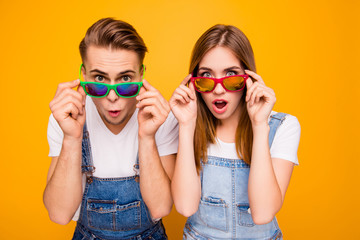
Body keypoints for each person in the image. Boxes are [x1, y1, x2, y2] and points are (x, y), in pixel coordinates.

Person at [43, 18, 178, 239]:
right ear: (83, 75)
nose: (113, 96)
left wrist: (147, 137)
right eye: (99, 79)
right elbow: (59, 214)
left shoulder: (160, 116)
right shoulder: (66, 116)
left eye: (125, 79)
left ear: (141, 74)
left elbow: (161, 208)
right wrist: (71, 138)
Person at [170, 24, 300, 239]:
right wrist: (186, 125)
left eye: (231, 75)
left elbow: (263, 213)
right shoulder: (183, 124)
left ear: (249, 78)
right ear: (193, 83)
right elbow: (185, 207)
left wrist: (259, 126)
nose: (218, 89)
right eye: (206, 75)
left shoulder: (283, 127)